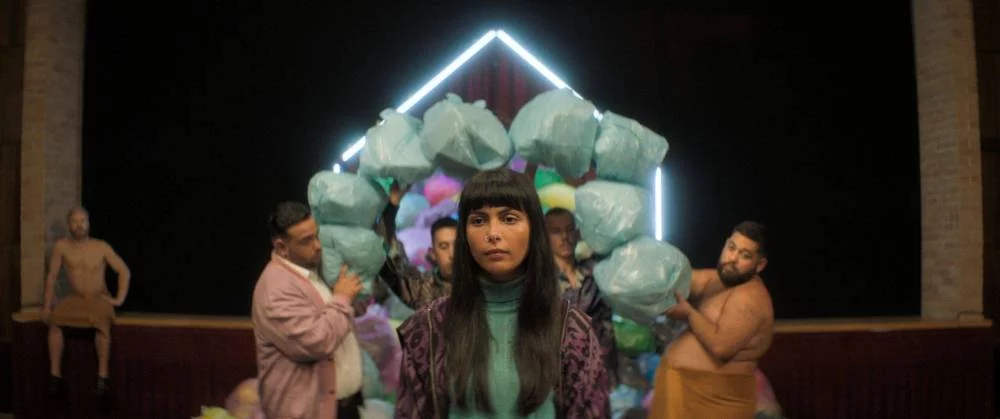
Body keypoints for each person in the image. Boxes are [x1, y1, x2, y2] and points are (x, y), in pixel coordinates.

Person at [395, 168, 610, 418]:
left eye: (509, 218)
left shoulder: (571, 330)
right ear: (464, 235)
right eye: (478, 220)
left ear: (533, 229)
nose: (493, 234)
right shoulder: (429, 329)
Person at [649, 221, 775, 419]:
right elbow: (680, 281)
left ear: (759, 265)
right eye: (731, 248)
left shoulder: (752, 299)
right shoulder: (717, 280)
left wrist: (689, 314)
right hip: (681, 392)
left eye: (745, 255)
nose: (732, 259)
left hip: (715, 402)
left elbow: (721, 347)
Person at [251, 201, 365, 419]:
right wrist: (342, 298)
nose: (318, 245)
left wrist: (353, 299)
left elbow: (333, 318)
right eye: (306, 241)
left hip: (340, 407)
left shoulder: (308, 270)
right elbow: (317, 342)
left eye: (316, 235)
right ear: (281, 247)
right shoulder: (276, 289)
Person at [43, 207, 130, 396]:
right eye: (75, 221)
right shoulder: (62, 246)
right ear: (69, 225)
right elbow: (52, 276)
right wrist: (47, 306)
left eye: (82, 221)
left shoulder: (101, 246)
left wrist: (119, 299)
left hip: (99, 297)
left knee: (101, 324)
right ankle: (55, 376)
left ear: (88, 224)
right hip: (75, 298)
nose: (79, 225)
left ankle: (102, 376)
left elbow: (123, 271)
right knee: (54, 323)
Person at [544, 207, 620, 387]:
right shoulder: (540, 281)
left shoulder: (595, 271)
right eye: (556, 232)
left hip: (599, 371)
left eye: (569, 230)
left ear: (578, 234)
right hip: (558, 377)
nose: (564, 237)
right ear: (544, 237)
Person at [377, 209, 456, 310]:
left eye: (458, 246)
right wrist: (392, 206)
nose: (452, 254)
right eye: (444, 246)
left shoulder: (476, 283)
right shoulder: (421, 288)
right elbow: (387, 256)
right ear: (432, 253)